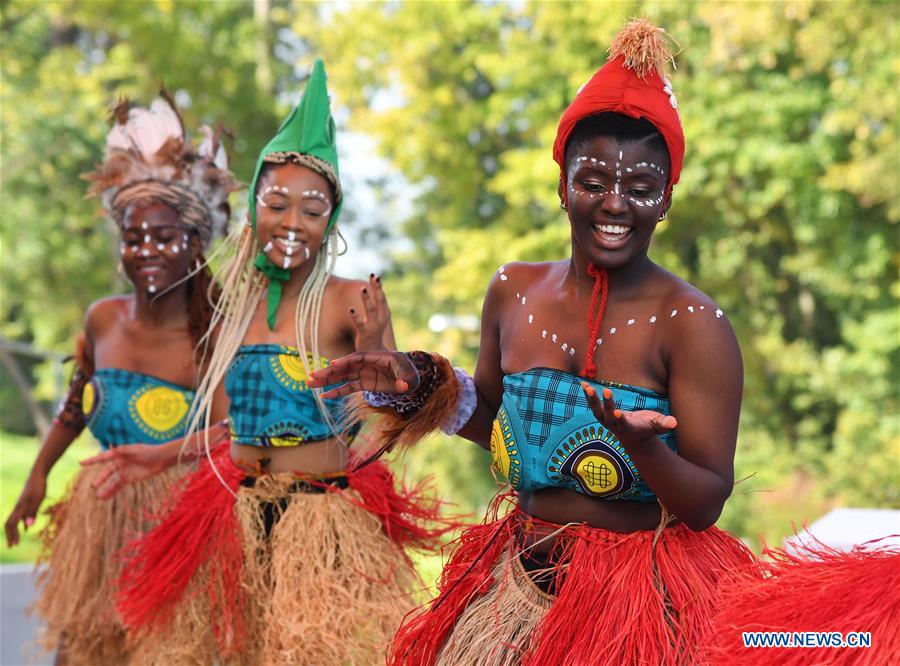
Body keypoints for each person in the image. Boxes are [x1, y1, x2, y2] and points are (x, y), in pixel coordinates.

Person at [309, 20, 759, 665]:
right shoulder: (512, 291)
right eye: (594, 180)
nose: (615, 204)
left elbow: (706, 501)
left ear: (666, 201)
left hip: (639, 608)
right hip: (514, 589)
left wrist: (642, 449)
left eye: (640, 189)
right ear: (561, 184)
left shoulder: (694, 322)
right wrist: (420, 388)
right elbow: (495, 421)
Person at [84, 59, 451, 666]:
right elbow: (231, 429)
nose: (293, 223)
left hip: (319, 523)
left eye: (313, 210)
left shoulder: (350, 298)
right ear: (254, 205)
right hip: (231, 514)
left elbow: (391, 408)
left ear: (331, 220)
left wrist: (385, 350)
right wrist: (154, 456)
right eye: (278, 203)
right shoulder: (238, 304)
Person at [4, 92, 237, 664]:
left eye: (164, 237)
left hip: (183, 536)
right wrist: (38, 475)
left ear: (197, 246)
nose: (146, 250)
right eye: (134, 237)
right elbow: (77, 405)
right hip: (102, 523)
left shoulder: (216, 335)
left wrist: (163, 464)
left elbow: (234, 436)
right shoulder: (102, 319)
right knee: (79, 653)